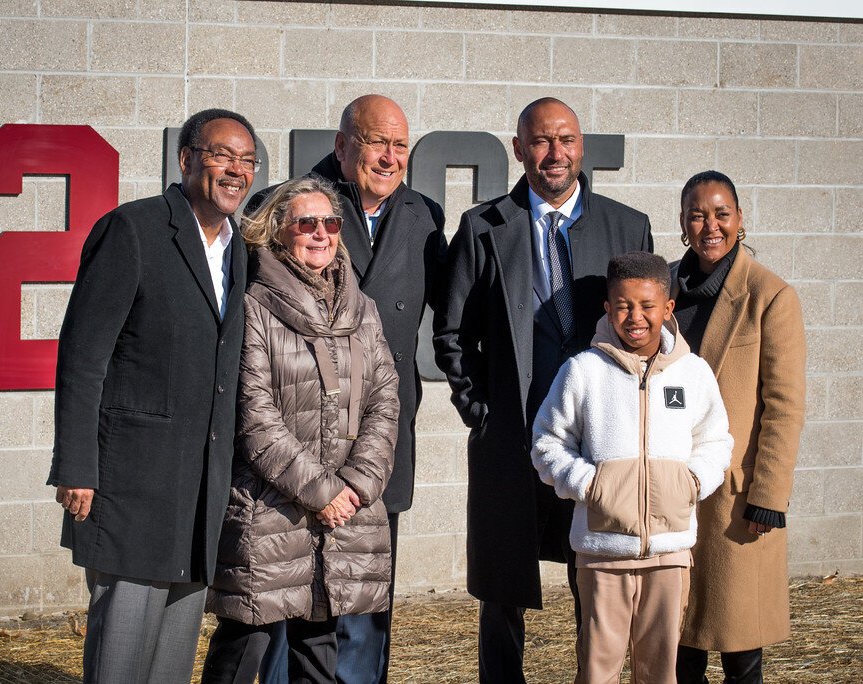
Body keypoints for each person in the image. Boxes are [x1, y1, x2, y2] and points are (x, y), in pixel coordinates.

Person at [433, 97, 652, 682]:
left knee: (596, 578)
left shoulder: (626, 226)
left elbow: (647, 331)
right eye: (540, 141)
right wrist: (477, 408)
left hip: (597, 439)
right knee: (502, 585)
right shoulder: (484, 226)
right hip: (510, 434)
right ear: (518, 149)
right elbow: (453, 330)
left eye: (566, 141)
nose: (554, 154)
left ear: (581, 147)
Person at [48, 108, 257, 683]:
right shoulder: (134, 230)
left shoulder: (240, 251)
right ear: (187, 160)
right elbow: (83, 356)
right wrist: (77, 467)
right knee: (122, 653)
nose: (236, 170)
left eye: (247, 160)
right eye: (222, 155)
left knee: (172, 657)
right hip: (131, 483)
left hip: (200, 488)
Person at [248, 94, 445, 684]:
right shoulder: (286, 204)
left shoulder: (424, 214)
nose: (389, 156)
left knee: (363, 596)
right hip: (296, 444)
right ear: (342, 145)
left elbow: (455, 319)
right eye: (375, 141)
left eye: (400, 145)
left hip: (375, 445)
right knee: (289, 601)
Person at [200, 177, 400, 684]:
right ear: (276, 232)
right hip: (270, 509)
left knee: (320, 650)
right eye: (305, 223)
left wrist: (356, 486)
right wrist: (322, 491)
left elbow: (384, 399)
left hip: (344, 513)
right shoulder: (253, 305)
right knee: (247, 645)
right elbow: (254, 415)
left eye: (330, 222)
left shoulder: (362, 307)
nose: (321, 233)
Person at [531, 251, 733, 684]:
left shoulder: (693, 374)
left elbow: (716, 441)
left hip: (670, 552)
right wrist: (591, 484)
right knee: (597, 670)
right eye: (623, 306)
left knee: (659, 671)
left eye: (647, 306)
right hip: (602, 553)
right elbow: (547, 443)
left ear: (668, 308)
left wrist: (692, 481)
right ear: (608, 308)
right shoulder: (583, 371)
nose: (635, 317)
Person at [672, 171, 807, 684]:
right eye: (697, 214)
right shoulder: (662, 289)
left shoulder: (769, 295)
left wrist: (769, 495)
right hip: (671, 495)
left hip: (736, 502)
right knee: (678, 648)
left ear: (740, 220)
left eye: (721, 213)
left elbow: (785, 405)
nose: (710, 225)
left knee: (739, 653)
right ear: (683, 223)